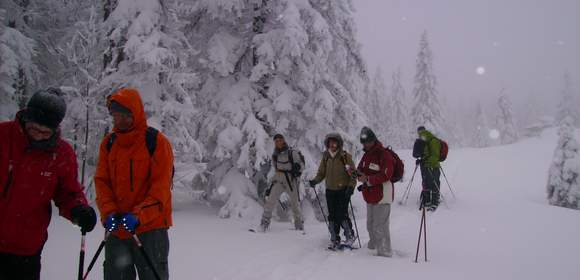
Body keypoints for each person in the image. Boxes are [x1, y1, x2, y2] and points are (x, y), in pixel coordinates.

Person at [0, 88, 97, 280]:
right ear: (26, 118)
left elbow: (68, 193)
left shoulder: (61, 153)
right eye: (33, 128)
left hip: (25, 248)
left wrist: (79, 209)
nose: (37, 135)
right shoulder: (3, 137)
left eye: (44, 132)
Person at [95, 88, 174, 280]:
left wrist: (138, 216)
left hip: (151, 229)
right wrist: (108, 212)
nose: (120, 121)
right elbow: (102, 182)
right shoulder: (109, 144)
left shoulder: (156, 142)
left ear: (136, 114)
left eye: (125, 116)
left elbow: (160, 188)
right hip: (118, 228)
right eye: (116, 116)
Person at [308, 133, 357, 249]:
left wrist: (351, 187)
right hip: (330, 191)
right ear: (327, 143)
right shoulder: (326, 157)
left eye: (335, 142)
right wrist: (315, 181)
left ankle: (349, 235)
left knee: (342, 214)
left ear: (339, 143)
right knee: (332, 215)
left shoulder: (345, 157)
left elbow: (353, 175)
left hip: (343, 191)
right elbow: (321, 173)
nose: (333, 145)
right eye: (330, 142)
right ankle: (334, 238)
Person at [356, 127, 394, 257]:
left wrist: (367, 178)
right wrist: (356, 173)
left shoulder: (384, 154)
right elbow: (360, 168)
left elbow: (386, 174)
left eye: (367, 142)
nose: (365, 144)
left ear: (373, 140)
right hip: (370, 194)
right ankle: (373, 246)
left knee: (380, 226)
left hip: (383, 194)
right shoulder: (366, 155)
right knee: (370, 224)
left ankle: (384, 251)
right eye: (363, 142)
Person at [259, 134, 304, 232]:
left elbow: (301, 165)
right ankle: (264, 223)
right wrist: (271, 186)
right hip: (279, 180)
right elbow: (277, 170)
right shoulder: (275, 155)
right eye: (276, 141)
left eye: (280, 140)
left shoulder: (292, 153)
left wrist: (297, 168)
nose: (278, 142)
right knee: (270, 200)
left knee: (294, 204)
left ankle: (299, 225)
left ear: (283, 140)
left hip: (291, 181)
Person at [413, 126, 441, 211]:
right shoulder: (432, 139)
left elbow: (428, 155)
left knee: (427, 182)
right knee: (434, 182)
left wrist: (422, 161)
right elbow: (434, 155)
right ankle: (434, 201)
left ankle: (428, 200)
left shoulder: (427, 140)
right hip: (433, 166)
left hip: (427, 166)